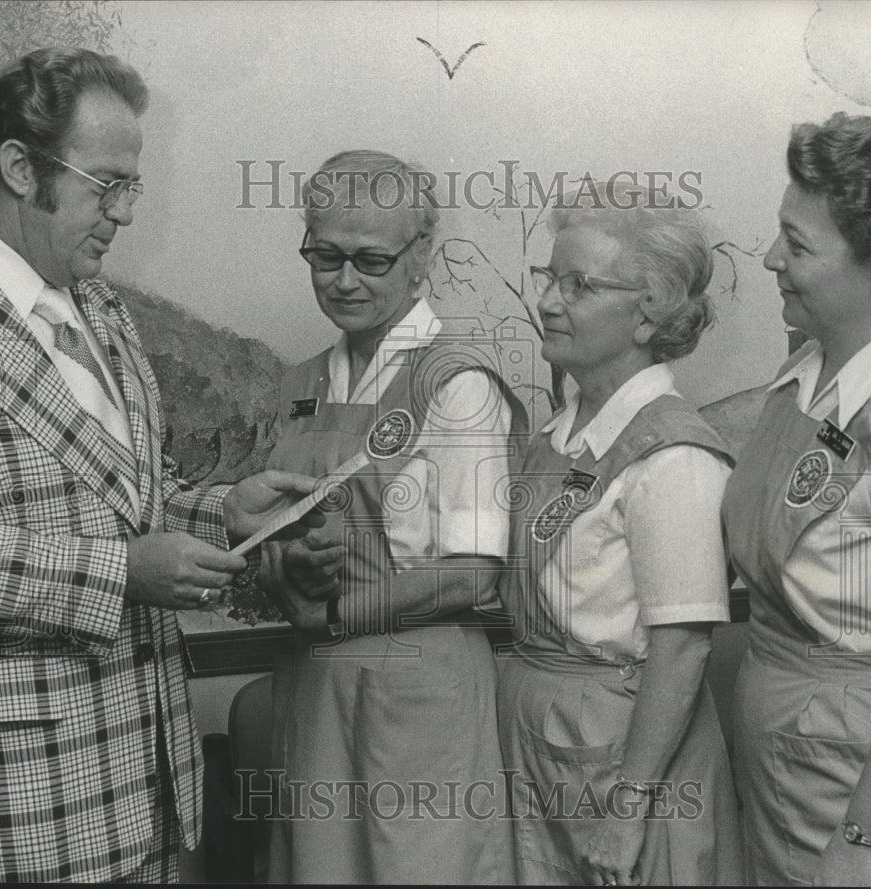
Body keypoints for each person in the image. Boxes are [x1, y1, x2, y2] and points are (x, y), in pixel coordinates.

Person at [0, 48, 317, 883]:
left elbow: (130, 498)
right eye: (107, 183)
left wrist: (221, 512)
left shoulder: (102, 308)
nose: (123, 214)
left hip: (145, 786)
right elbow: (113, 552)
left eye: (132, 186)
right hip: (13, 802)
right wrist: (119, 572)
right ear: (18, 166)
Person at [257, 149, 525, 884]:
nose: (345, 280)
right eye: (325, 256)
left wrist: (336, 614)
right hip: (316, 683)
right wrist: (285, 577)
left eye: (371, 260)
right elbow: (277, 530)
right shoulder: (302, 380)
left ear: (420, 258)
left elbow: (474, 573)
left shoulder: (457, 383)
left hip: (419, 688)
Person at [723, 112, 871, 887]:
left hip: (863, 782)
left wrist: (862, 837)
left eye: (798, 244)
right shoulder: (812, 370)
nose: (769, 258)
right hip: (790, 759)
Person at [496, 180, 743, 885]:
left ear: (649, 311)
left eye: (579, 285)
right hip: (546, 737)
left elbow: (682, 646)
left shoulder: (673, 456)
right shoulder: (559, 434)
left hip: (624, 756)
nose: (547, 300)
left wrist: (628, 808)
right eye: (550, 278)